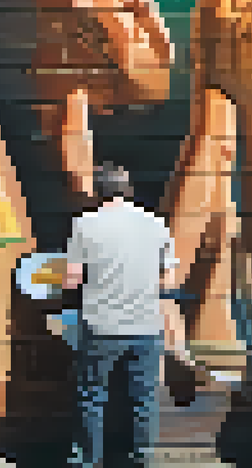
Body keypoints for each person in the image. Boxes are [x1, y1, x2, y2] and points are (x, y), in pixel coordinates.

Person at [61, 163, 177, 468]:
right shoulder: (156, 223)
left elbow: (72, 279)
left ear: (98, 191)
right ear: (128, 190)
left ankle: (89, 459)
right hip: (146, 324)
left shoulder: (85, 224)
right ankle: (140, 458)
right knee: (143, 398)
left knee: (92, 396)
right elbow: (170, 280)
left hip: (101, 324)